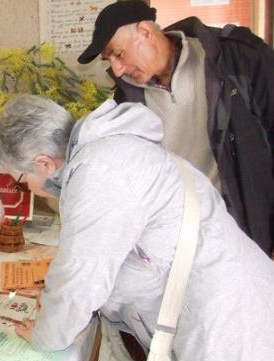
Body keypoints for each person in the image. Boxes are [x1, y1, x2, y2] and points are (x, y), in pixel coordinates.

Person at [0, 94, 274, 361]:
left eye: (19, 180)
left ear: (44, 162)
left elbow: (78, 282)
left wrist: (44, 334)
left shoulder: (99, 171)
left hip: (226, 341)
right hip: (243, 316)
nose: (26, 190)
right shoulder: (111, 150)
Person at [77, 0, 274, 257]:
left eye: (118, 54)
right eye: (110, 59)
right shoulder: (127, 100)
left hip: (247, 227)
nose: (116, 68)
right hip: (180, 237)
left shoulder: (236, 58)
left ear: (146, 32)